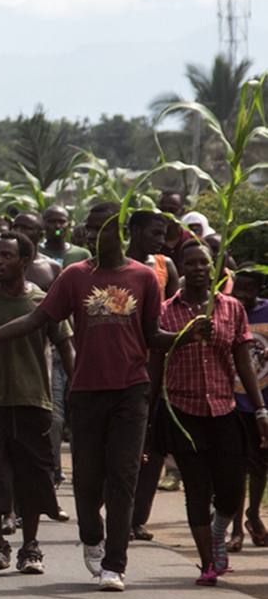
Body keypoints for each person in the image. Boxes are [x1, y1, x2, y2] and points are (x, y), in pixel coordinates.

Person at [0, 202, 177, 592]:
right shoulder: (74, 277)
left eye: (106, 227)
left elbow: (153, 336)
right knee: (87, 479)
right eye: (92, 227)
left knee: (123, 475)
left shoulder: (144, 277)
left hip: (131, 390)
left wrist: (187, 337)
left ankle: (115, 563)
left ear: (123, 231)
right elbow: (35, 319)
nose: (97, 235)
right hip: (87, 391)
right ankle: (92, 535)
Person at [0, 233, 73, 574]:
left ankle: (31, 546)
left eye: (7, 256)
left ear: (25, 261)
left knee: (32, 476)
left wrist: (75, 390)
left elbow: (65, 345)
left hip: (34, 401)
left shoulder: (43, 303)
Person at [153, 242, 268, 584]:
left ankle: (219, 531)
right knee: (197, 489)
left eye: (204, 263)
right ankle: (207, 562)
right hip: (183, 411)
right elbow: (156, 359)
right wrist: (148, 412)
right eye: (191, 263)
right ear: (182, 269)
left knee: (232, 488)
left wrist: (260, 407)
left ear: (215, 269)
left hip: (223, 408)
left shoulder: (231, 308)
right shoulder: (165, 311)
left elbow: (243, 360)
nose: (199, 268)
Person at [126, 209, 181, 540]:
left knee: (153, 445)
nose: (160, 242)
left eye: (163, 235)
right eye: (154, 234)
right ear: (134, 231)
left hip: (158, 361)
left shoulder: (165, 267)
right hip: (124, 361)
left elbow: (170, 314)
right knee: (126, 445)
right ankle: (119, 510)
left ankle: (138, 517)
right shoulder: (116, 264)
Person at [230, 268, 268, 547]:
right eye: (237, 288)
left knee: (259, 464)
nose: (242, 294)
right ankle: (235, 530)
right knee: (235, 466)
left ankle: (253, 513)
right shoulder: (227, 311)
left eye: (248, 289)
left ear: (259, 289)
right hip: (232, 400)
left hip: (263, 401)